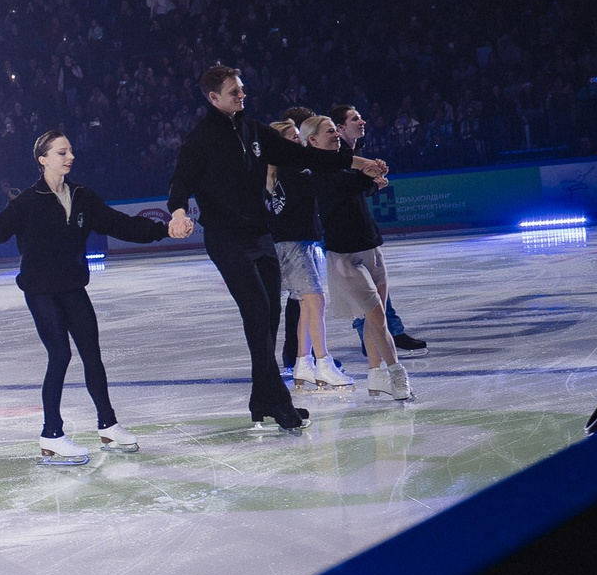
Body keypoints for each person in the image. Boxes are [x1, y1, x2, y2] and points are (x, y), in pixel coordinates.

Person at [164, 67, 386, 430]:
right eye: (233, 92)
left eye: (241, 90)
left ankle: (260, 400)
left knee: (267, 320)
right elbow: (180, 182)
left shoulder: (253, 131)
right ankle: (279, 402)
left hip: (261, 236)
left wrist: (356, 161)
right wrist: (176, 212)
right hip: (226, 239)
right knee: (256, 313)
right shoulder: (200, 138)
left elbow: (304, 156)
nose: (241, 95)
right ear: (213, 98)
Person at [0, 133, 178, 465]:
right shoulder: (27, 201)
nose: (70, 156)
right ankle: (51, 434)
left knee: (92, 355)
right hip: (41, 291)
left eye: (71, 150)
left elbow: (121, 225)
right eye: (62, 152)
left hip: (74, 288)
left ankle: (108, 425)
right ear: (43, 159)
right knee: (59, 355)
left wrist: (164, 230)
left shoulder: (82, 196)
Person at [308, 117, 414, 402]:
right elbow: (345, 186)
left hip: (370, 245)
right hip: (343, 255)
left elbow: (359, 189)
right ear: (313, 141)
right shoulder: (319, 171)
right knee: (377, 315)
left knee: (372, 317)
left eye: (335, 130)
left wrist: (371, 177)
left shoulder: (343, 161)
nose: (335, 134)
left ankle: (375, 374)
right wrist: (368, 171)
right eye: (329, 131)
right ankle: (396, 371)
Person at [333, 105, 427, 355]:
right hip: (347, 234)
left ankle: (390, 332)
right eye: (355, 119)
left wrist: (373, 184)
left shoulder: (355, 152)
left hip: (360, 229)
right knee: (366, 291)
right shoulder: (338, 155)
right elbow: (342, 191)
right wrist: (369, 179)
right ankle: (374, 337)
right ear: (340, 127)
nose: (362, 122)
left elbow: (357, 191)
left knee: (374, 288)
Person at [270, 114, 349, 391]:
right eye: (294, 138)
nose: (299, 143)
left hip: (301, 242)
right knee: (316, 301)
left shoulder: (285, 169)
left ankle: (303, 362)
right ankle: (323, 362)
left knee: (306, 303)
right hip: (294, 244)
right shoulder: (294, 170)